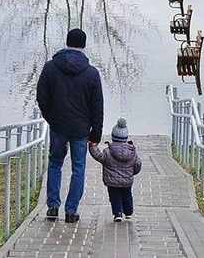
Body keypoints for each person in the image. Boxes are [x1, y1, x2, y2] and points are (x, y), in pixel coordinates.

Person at [36, 28, 103, 223]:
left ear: (66, 42)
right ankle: (71, 211)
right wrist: (96, 132)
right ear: (84, 45)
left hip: (58, 126)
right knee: (78, 167)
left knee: (55, 163)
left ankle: (52, 206)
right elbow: (97, 105)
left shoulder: (50, 68)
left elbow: (42, 97)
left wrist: (51, 118)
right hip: (81, 129)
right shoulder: (91, 73)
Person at [89, 117, 142, 222]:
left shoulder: (107, 152)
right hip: (127, 180)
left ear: (113, 137)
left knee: (115, 197)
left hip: (112, 181)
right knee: (127, 195)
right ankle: (128, 212)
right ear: (126, 138)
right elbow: (138, 164)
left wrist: (92, 146)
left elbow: (98, 156)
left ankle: (117, 213)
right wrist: (132, 172)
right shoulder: (132, 152)